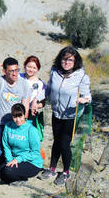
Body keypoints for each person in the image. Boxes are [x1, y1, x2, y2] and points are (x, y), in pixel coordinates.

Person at [39, 46, 91, 186]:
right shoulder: (54, 71)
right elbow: (48, 89)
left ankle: (66, 172)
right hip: (57, 113)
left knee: (64, 143)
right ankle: (52, 169)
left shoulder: (81, 76)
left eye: (70, 60)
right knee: (56, 141)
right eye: (64, 59)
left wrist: (83, 100)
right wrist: (38, 99)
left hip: (71, 115)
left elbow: (87, 95)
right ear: (60, 59)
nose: (66, 62)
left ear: (75, 61)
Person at [0, 57, 33, 147]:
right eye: (11, 71)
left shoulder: (24, 84)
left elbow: (25, 106)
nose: (15, 74)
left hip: (14, 122)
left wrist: (22, 125)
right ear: (5, 71)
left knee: (11, 149)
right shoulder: (0, 81)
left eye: (16, 70)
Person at [0, 103, 43, 185]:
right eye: (15, 117)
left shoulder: (31, 130)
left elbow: (35, 153)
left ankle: (22, 180)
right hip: (14, 159)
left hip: (31, 162)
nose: (18, 120)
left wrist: (18, 159)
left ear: (24, 115)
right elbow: (6, 146)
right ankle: (12, 176)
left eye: (20, 116)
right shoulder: (8, 126)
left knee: (8, 171)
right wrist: (10, 160)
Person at [22, 55, 46, 141]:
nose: (31, 69)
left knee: (30, 137)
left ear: (37, 69)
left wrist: (35, 106)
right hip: (17, 111)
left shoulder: (40, 84)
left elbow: (43, 103)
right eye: (29, 66)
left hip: (31, 113)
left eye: (34, 68)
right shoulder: (18, 77)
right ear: (24, 66)